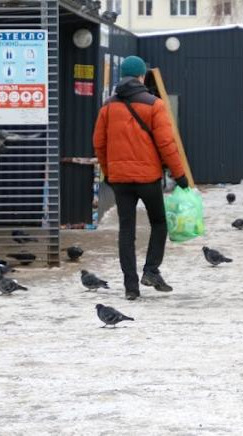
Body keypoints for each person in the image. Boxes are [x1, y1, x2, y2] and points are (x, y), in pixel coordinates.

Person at [93, 55, 188, 300]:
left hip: (120, 180)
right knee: (159, 223)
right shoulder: (155, 104)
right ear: (141, 76)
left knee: (126, 230)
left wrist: (109, 172)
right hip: (147, 178)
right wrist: (179, 175)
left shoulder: (108, 106)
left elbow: (99, 144)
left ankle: (131, 288)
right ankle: (151, 270)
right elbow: (166, 144)